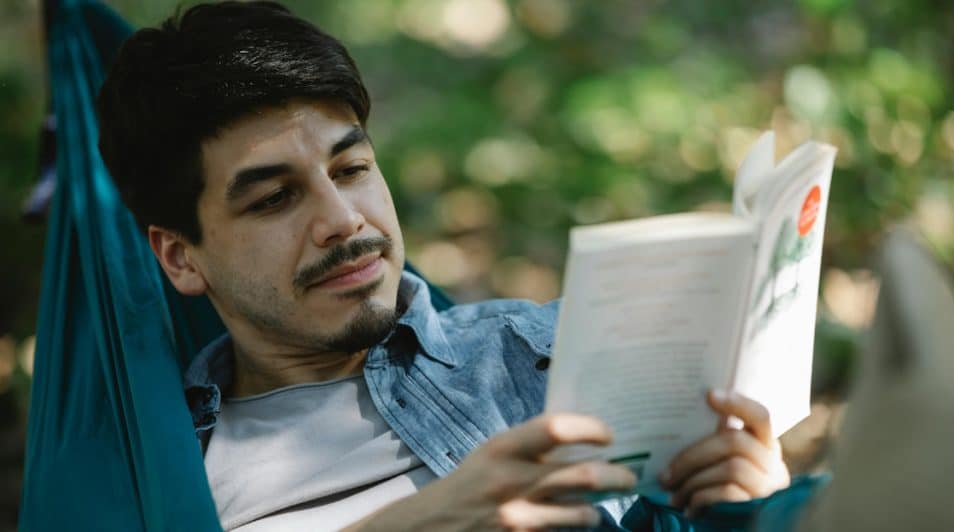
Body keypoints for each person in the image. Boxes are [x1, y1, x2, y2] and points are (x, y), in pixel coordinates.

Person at [97, 2, 792, 529]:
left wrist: (752, 507)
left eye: (352, 168)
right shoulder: (151, 476)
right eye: (275, 198)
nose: (343, 219)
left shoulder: (551, 359)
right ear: (181, 258)